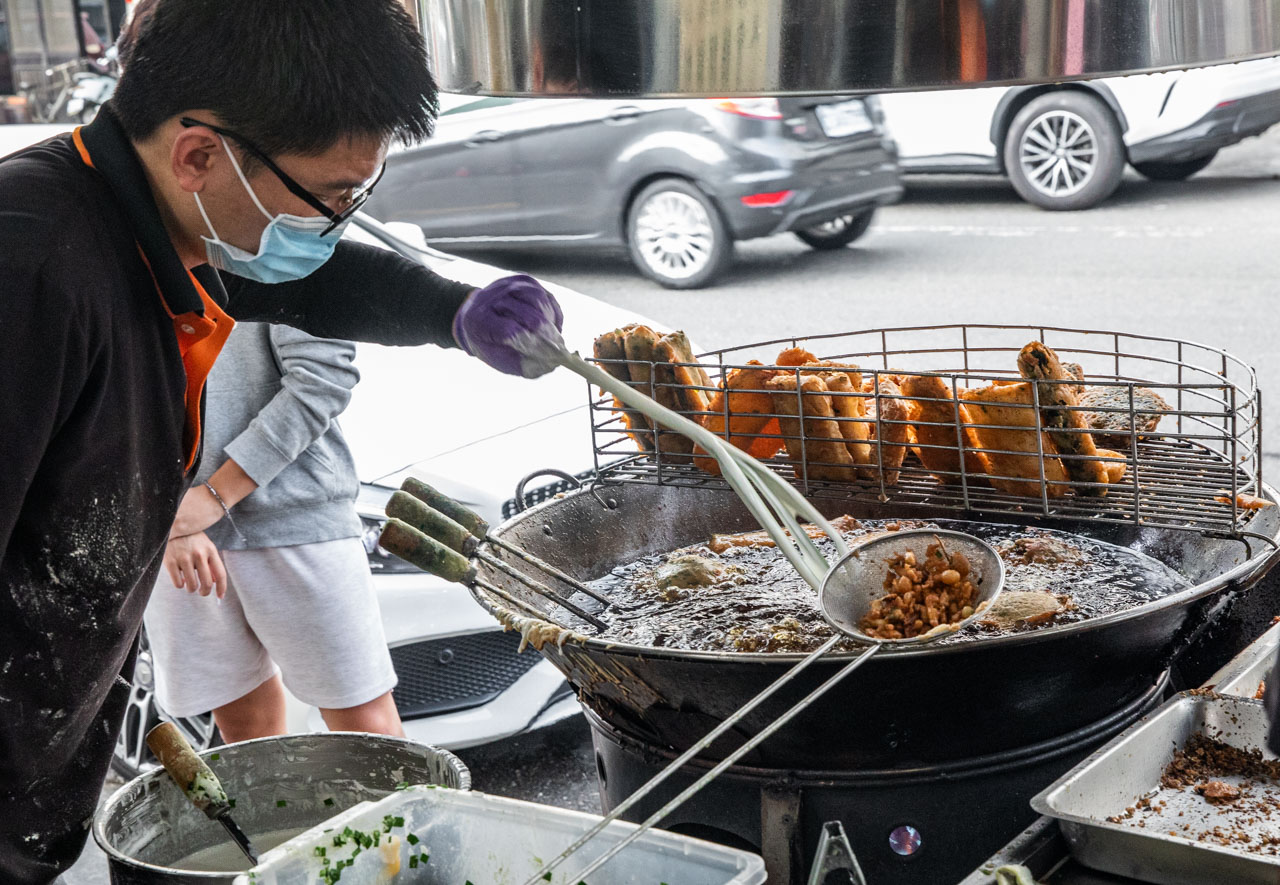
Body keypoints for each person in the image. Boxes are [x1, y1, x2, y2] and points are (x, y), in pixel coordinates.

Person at [0, 1, 566, 882]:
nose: (337, 224)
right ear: (199, 154)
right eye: (330, 197)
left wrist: (448, 311)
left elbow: (310, 282)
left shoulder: (156, 219)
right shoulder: (32, 267)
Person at [146, 322, 403, 745]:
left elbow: (322, 377)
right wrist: (171, 517)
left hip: (293, 513)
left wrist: (213, 496)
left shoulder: (285, 257)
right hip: (172, 521)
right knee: (248, 742)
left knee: (372, 734)